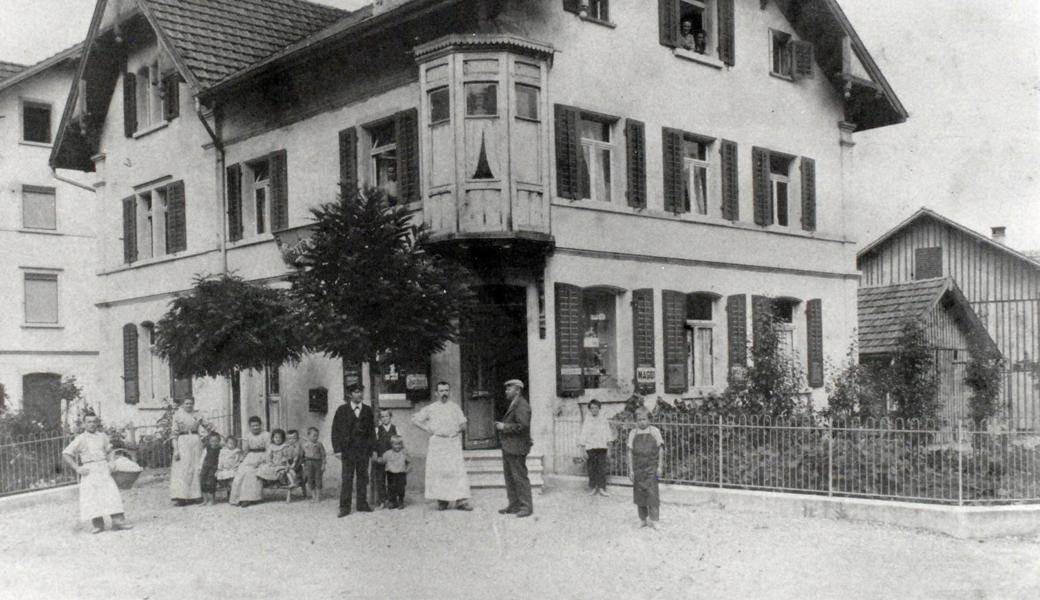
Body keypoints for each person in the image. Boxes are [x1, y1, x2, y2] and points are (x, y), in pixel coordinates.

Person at [61, 413, 132, 534]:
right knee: (92, 497)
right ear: (84, 424)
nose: (92, 424)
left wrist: (111, 462)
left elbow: (109, 451)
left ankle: (118, 521)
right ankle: (98, 524)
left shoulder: (102, 436)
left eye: (94, 421)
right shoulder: (80, 438)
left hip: (103, 467)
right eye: (89, 422)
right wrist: (77, 468)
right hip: (89, 469)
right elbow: (66, 454)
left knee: (111, 493)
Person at [412, 381, 473, 511]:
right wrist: (429, 429)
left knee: (456, 470)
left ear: (449, 392)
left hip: (452, 442)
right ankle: (442, 500)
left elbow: (463, 424)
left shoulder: (455, 407)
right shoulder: (431, 408)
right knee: (439, 471)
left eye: (446, 390)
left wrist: (457, 431)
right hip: (438, 443)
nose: (444, 393)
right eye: (441, 391)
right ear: (436, 393)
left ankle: (460, 500)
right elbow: (415, 419)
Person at [331, 383, 376, 517]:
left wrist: (372, 449)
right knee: (347, 478)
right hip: (348, 451)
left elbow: (371, 432)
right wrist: (337, 449)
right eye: (356, 392)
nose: (360, 394)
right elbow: (335, 431)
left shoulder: (367, 410)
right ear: (350, 395)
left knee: (363, 477)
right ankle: (345, 507)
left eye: (361, 392)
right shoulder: (342, 410)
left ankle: (362, 504)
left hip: (363, 450)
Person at [495, 379, 533, 518]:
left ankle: (526, 507)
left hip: (517, 447)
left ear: (517, 390)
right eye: (506, 389)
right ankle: (514, 505)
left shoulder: (522, 405)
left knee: (519, 477)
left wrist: (504, 427)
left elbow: (523, 426)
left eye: (509, 389)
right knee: (510, 477)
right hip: (510, 446)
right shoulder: (514, 403)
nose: (506, 391)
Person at [627, 408, 665, 529]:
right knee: (639, 494)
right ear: (636, 421)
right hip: (638, 468)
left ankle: (655, 520)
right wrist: (631, 470)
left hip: (651, 467)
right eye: (639, 420)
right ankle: (642, 519)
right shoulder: (633, 433)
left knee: (652, 494)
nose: (642, 422)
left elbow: (660, 449)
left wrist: (660, 466)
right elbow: (629, 452)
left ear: (649, 419)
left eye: (644, 419)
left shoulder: (655, 431)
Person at [169, 397, 209, 506]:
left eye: (191, 403)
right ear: (182, 404)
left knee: (196, 467)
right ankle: (181, 497)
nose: (189, 406)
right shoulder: (177, 415)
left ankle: (196, 496)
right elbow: (174, 434)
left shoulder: (197, 414)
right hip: (182, 442)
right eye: (186, 403)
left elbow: (208, 425)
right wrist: (176, 449)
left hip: (196, 441)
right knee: (183, 468)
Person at [229, 416, 270, 506]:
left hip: (263, 456)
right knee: (241, 471)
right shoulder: (248, 435)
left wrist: (261, 460)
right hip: (250, 456)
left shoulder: (266, 435)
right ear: (250, 426)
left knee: (251, 473)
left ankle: (249, 498)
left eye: (257, 425)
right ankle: (237, 498)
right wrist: (242, 460)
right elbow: (246, 450)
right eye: (253, 426)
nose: (255, 428)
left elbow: (269, 450)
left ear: (260, 425)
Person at [577, 399, 611, 496]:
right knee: (592, 468)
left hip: (601, 447)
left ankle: (601, 488)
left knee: (601, 468)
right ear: (590, 409)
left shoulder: (603, 420)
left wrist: (609, 447)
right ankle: (593, 487)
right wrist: (582, 448)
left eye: (596, 408)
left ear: (599, 409)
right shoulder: (587, 421)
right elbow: (583, 434)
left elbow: (608, 433)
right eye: (592, 408)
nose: (594, 410)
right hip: (590, 447)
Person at [372, 409, 398, 508]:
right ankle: (382, 500)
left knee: (392, 479)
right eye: (382, 417)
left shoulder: (395, 428)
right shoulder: (377, 429)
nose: (384, 418)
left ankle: (392, 500)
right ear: (380, 419)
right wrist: (375, 454)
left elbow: (399, 442)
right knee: (380, 480)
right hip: (381, 458)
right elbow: (374, 443)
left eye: (386, 416)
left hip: (392, 459)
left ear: (390, 417)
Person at [376, 435, 410, 509]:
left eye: (399, 444)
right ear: (391, 444)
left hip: (401, 473)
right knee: (391, 488)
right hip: (391, 474)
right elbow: (383, 460)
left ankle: (401, 501)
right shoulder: (388, 453)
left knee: (401, 488)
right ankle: (392, 502)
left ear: (401, 444)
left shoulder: (404, 452)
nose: (397, 446)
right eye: (395, 444)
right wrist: (377, 459)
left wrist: (407, 470)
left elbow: (409, 462)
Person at [301, 427, 326, 503]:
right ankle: (313, 496)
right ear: (308, 436)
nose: (316, 437)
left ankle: (318, 497)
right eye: (314, 435)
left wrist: (323, 464)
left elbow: (323, 455)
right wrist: (303, 464)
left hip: (317, 463)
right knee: (310, 479)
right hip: (308, 463)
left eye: (317, 436)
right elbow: (302, 455)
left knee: (318, 479)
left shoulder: (319, 444)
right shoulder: (305, 445)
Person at [200, 432, 222, 505]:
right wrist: (200, 467)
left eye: (216, 441)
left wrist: (219, 470)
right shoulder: (207, 449)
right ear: (209, 442)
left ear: (219, 441)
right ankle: (205, 500)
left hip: (214, 468)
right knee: (202, 481)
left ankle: (212, 500)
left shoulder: (220, 449)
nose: (214, 443)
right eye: (212, 441)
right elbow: (202, 458)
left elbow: (222, 460)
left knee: (211, 482)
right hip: (205, 467)